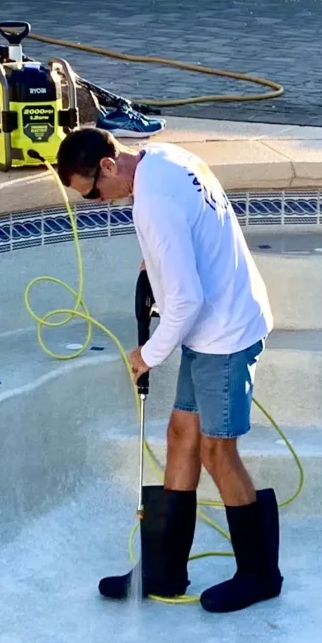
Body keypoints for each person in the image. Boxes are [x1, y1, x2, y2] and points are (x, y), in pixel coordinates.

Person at [54, 126, 283, 613]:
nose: (96, 201)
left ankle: (261, 575)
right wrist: (155, 263)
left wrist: (147, 356)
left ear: (110, 166)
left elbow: (186, 301)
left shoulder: (150, 203)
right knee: (182, 434)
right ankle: (165, 568)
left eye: (92, 191)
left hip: (224, 332)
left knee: (217, 451)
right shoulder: (161, 158)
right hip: (213, 323)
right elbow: (191, 230)